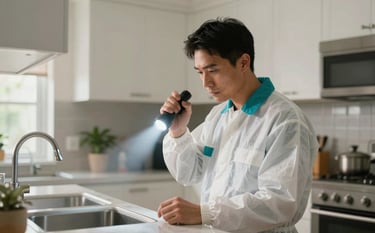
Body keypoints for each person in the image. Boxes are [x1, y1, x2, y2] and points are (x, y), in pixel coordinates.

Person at [157, 17, 318, 233]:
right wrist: (177, 132)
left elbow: (282, 203)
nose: (205, 83)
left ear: (243, 62)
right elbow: (190, 174)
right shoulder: (219, 115)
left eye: (213, 70)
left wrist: (204, 213)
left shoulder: (285, 119)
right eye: (200, 72)